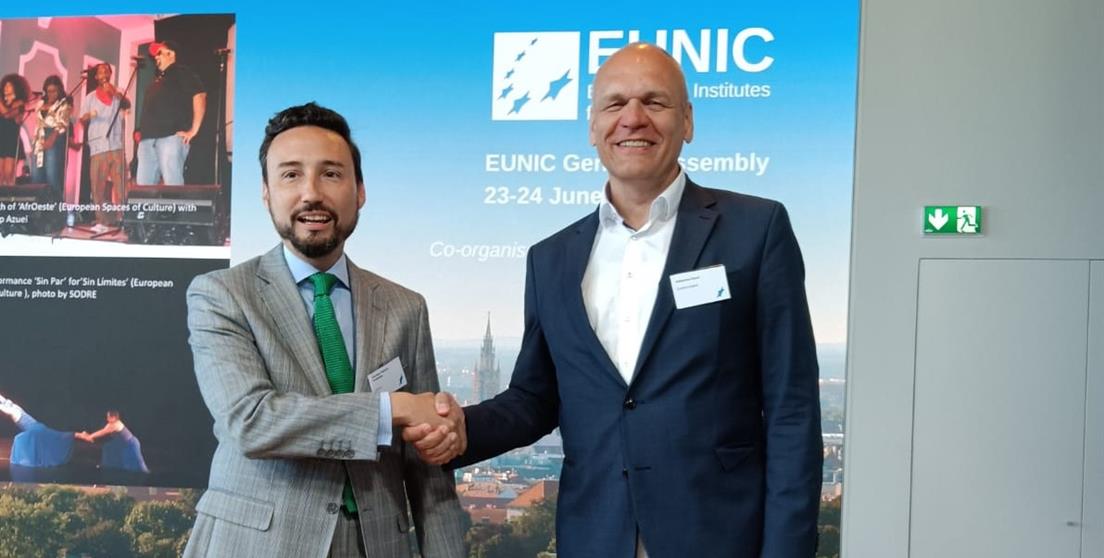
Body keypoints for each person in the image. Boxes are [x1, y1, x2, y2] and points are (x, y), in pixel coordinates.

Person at [411, 43, 824, 558]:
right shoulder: (550, 258)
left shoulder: (755, 231)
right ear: (592, 127)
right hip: (594, 535)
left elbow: (792, 411)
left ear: (687, 121)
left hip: (720, 536)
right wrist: (455, 430)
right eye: (614, 104)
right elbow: (535, 400)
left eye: (654, 101)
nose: (633, 118)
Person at [182, 102, 465, 558]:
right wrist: (392, 408)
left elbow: (428, 465)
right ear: (266, 193)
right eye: (291, 175)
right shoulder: (222, 295)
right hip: (256, 545)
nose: (311, 193)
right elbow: (251, 422)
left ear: (360, 191)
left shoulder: (405, 307)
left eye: (331, 174)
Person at [135, 40, 205, 185]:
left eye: (159, 53)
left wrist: (194, 130)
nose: (156, 57)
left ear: (171, 54)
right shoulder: (156, 81)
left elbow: (200, 96)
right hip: (147, 141)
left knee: (173, 185)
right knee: (144, 189)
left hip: (170, 138)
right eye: (155, 55)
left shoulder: (182, 72)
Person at [79, 63, 131, 228]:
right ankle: (103, 219)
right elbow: (82, 118)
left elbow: (127, 105)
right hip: (98, 144)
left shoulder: (118, 92)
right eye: (100, 72)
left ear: (110, 74)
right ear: (96, 77)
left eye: (106, 71)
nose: (104, 73)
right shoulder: (90, 97)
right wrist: (88, 115)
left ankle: (124, 218)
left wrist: (113, 92)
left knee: (121, 184)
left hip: (116, 144)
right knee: (97, 185)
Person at [0, 392, 79, 468]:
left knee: (18, 439)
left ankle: (80, 435)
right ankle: (81, 435)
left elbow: (3, 404)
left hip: (35, 430)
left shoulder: (12, 411)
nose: (8, 402)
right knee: (57, 436)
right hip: (38, 427)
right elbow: (3, 400)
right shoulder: (16, 408)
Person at [31, 75, 71, 211]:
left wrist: (51, 139)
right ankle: (39, 211)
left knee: (52, 176)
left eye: (54, 91)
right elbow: (37, 124)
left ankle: (55, 212)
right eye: (49, 91)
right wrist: (35, 143)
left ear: (59, 90)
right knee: (36, 176)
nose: (51, 94)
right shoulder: (40, 104)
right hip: (39, 139)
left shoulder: (63, 104)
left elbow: (62, 124)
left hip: (54, 137)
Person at [77, 409, 149, 473]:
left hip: (131, 444)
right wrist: (89, 436)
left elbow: (102, 432)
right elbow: (101, 432)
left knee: (138, 463)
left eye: (109, 417)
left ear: (114, 417)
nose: (107, 419)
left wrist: (89, 436)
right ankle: (108, 469)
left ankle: (147, 477)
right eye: (107, 417)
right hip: (122, 445)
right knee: (108, 448)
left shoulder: (116, 424)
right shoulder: (110, 424)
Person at [0, 74, 30, 186]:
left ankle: (10, 195)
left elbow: (8, 114)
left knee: (8, 173)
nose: (6, 88)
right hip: (1, 139)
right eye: (5, 86)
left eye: (9, 86)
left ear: (16, 87)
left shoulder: (19, 103)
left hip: (11, 140)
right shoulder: (2, 102)